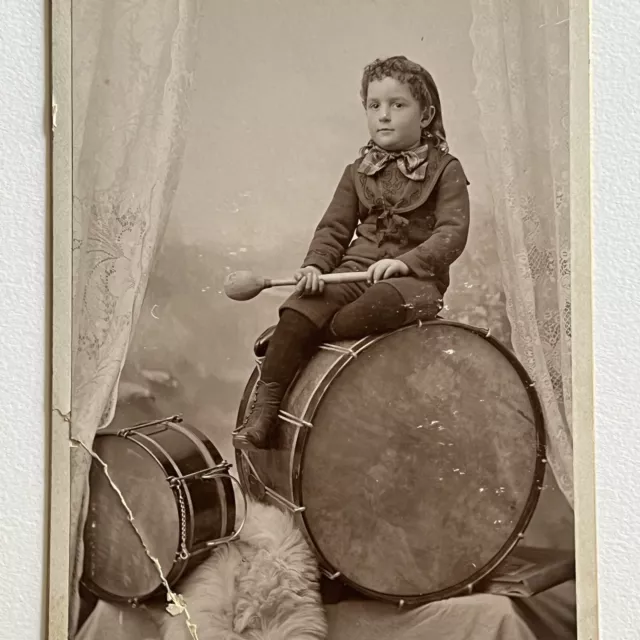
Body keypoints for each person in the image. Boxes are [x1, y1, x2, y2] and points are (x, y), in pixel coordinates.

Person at [232, 55, 471, 451]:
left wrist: (405, 262)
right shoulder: (357, 170)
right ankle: (265, 414)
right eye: (374, 106)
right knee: (298, 307)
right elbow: (333, 230)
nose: (384, 116)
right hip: (353, 272)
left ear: (426, 114)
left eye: (398, 105)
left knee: (364, 312)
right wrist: (314, 267)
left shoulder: (447, 170)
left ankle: (297, 340)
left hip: (415, 283)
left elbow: (452, 233)